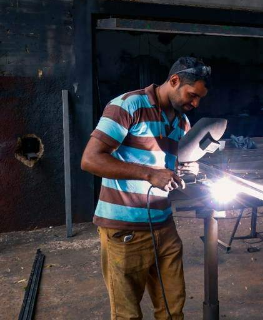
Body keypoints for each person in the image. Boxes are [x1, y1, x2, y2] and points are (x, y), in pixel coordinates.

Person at [81, 57, 211, 320]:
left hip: (164, 225)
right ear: (174, 81)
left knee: (173, 310)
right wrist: (149, 173)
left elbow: (169, 165)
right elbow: (90, 159)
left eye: (200, 98)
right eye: (192, 95)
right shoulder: (128, 106)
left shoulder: (182, 122)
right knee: (127, 315)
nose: (195, 103)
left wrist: (185, 172)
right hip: (125, 229)